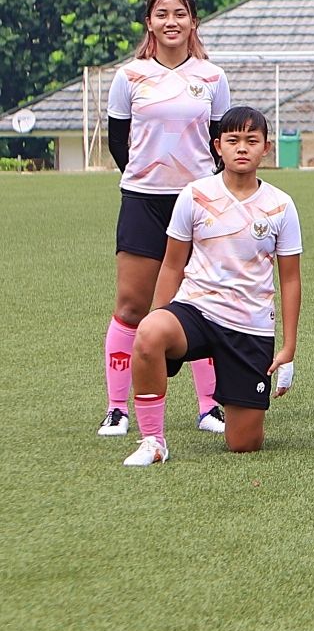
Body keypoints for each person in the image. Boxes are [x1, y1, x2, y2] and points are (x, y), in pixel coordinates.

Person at [120, 107, 302, 466]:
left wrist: (289, 346)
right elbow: (173, 263)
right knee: (149, 332)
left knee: (244, 443)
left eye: (252, 141)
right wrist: (158, 316)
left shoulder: (281, 205)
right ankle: (153, 441)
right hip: (196, 311)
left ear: (266, 148)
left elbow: (291, 278)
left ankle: (232, 395)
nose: (242, 148)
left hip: (249, 326)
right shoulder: (194, 194)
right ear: (217, 146)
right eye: (233, 140)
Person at [100, 0, 231, 439]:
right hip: (142, 201)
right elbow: (121, 142)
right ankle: (118, 408)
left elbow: (222, 143)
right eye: (161, 14)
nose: (171, 21)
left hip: (198, 204)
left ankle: (209, 406)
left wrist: (197, 187)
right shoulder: (129, 76)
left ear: (193, 21)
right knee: (133, 305)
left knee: (203, 303)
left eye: (179, 13)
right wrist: (146, 176)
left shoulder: (212, 77)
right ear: (149, 23)